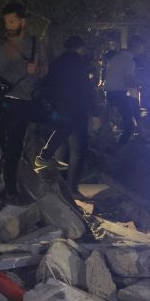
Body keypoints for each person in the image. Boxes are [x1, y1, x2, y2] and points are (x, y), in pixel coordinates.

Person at [0, 3, 76, 203]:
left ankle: (45, 155)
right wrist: (10, 59)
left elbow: (44, 70)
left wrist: (39, 70)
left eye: (12, 21)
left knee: (65, 122)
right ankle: (10, 191)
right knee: (13, 151)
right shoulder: (0, 45)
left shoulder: (35, 43)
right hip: (11, 103)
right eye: (6, 22)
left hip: (31, 102)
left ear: (22, 22)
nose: (8, 25)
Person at [39, 36, 96, 194]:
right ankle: (71, 188)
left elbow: (46, 85)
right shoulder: (82, 65)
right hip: (76, 111)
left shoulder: (56, 64)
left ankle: (59, 186)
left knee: (60, 148)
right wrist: (94, 112)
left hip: (58, 111)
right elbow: (86, 91)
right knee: (78, 151)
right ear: (80, 48)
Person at [104, 35, 145, 145]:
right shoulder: (129, 61)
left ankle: (141, 132)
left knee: (135, 104)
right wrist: (142, 84)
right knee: (129, 125)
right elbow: (129, 82)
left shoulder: (116, 58)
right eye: (142, 47)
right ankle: (117, 148)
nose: (143, 49)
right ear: (137, 47)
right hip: (118, 95)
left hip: (110, 94)